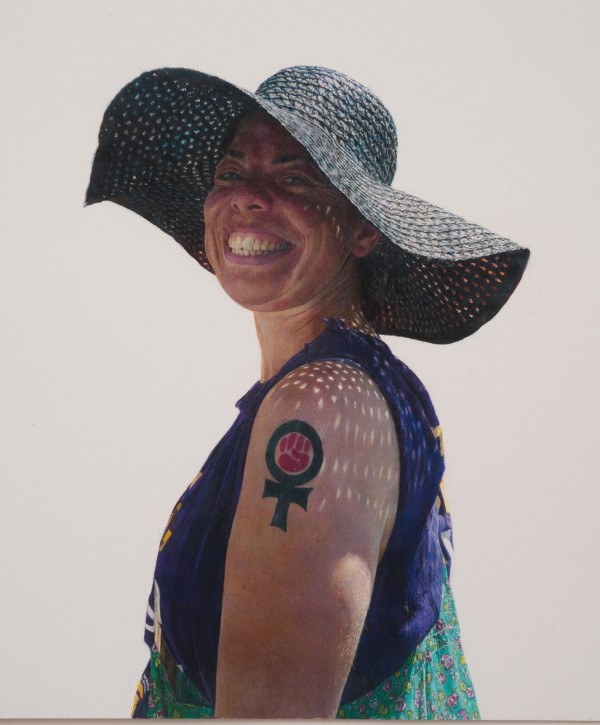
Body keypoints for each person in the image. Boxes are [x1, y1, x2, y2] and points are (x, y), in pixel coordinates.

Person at [86, 66, 529, 719]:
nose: (248, 197)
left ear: (363, 229)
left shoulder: (321, 406)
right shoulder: (330, 395)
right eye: (230, 172)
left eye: (294, 178)